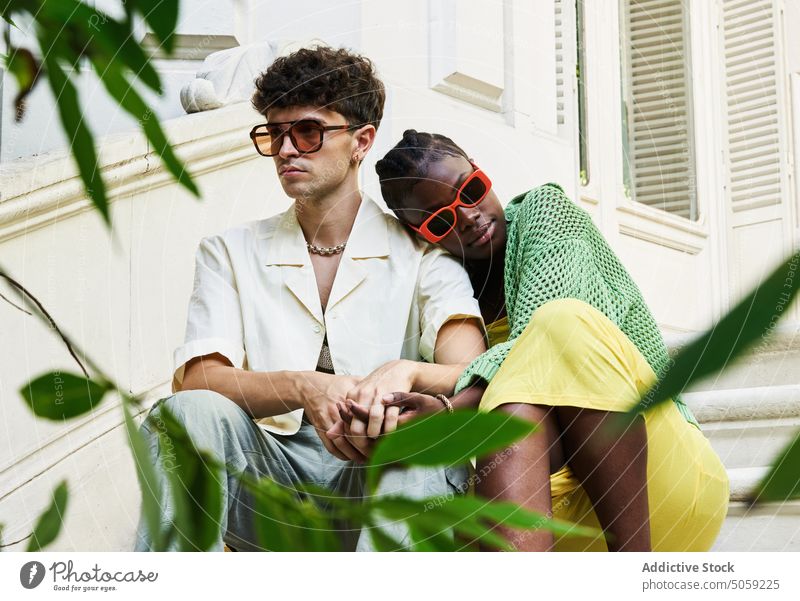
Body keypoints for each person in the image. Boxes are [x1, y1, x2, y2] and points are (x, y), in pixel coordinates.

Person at [133, 51, 486, 552]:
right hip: (270, 484)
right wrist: (305, 386)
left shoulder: (423, 252)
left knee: (421, 442)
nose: (285, 150)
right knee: (183, 415)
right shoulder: (229, 251)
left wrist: (401, 372)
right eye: (273, 134)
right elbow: (201, 379)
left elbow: (472, 368)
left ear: (361, 141)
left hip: (384, 477)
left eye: (308, 132)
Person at [344, 129, 730, 551]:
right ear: (420, 233)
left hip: (654, 477)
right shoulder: (442, 286)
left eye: (470, 190)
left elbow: (546, 344)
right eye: (441, 220)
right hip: (552, 516)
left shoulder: (545, 213)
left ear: (479, 169)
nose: (468, 215)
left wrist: (444, 399)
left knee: (559, 323)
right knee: (514, 413)